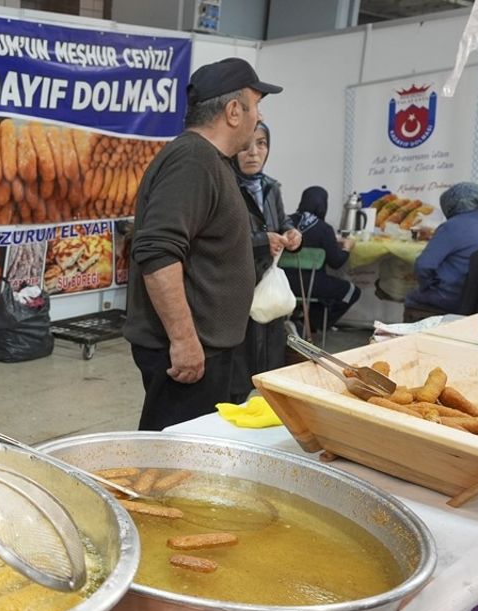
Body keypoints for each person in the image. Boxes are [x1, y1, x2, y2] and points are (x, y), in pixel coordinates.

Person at [123, 57, 281, 431]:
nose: (258, 116)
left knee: (193, 452)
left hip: (209, 344)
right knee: (175, 459)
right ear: (232, 111)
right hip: (190, 349)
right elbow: (157, 252)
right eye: (256, 106)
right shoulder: (193, 160)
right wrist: (184, 341)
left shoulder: (210, 160)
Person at [229, 121, 300, 403]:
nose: (253, 152)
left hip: (267, 288)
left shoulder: (271, 187)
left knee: (270, 359)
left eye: (261, 144)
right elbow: (218, 237)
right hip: (236, 287)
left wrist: (292, 236)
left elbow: (282, 224)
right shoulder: (226, 185)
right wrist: (261, 241)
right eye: (245, 145)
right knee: (237, 366)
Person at [404, 182, 478, 321]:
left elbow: (423, 266)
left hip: (451, 295)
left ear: (451, 205)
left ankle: (409, 338)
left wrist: (427, 286)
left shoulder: (451, 226)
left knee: (410, 295)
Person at [285, 186, 361, 332]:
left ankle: (298, 320)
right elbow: (336, 263)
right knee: (352, 291)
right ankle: (311, 325)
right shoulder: (324, 228)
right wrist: (347, 247)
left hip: (283, 282)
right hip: (313, 285)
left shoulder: (285, 222)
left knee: (321, 290)